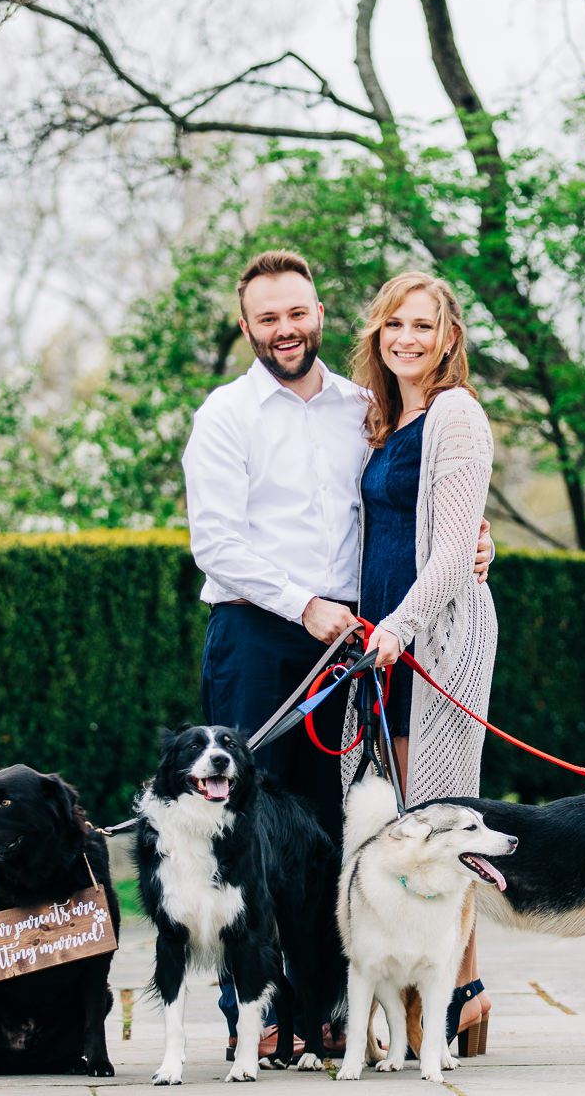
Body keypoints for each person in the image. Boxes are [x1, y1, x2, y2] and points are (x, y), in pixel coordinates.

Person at [181, 250, 491, 1057]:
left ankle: (322, 1011)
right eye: (268, 317)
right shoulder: (225, 414)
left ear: (320, 312)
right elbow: (213, 542)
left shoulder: (365, 407)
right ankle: (254, 1012)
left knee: (330, 833)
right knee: (244, 829)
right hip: (257, 635)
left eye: (298, 312)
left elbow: (417, 504)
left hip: (355, 649)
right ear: (246, 325)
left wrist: (473, 542)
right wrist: (306, 606)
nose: (286, 329)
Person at [344, 270, 499, 1058]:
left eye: (423, 325)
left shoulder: (457, 414)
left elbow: (448, 554)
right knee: (400, 828)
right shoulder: (382, 417)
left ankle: (459, 996)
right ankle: (426, 999)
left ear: (448, 338)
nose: (406, 337)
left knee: (436, 827)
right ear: (378, 331)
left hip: (432, 643)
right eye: (394, 323)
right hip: (383, 644)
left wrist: (399, 626)